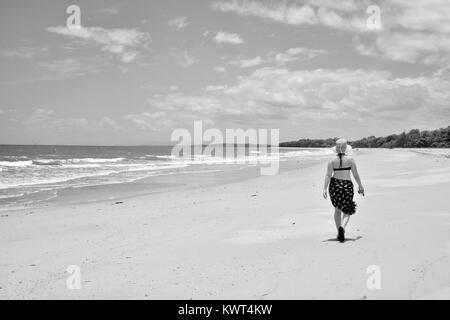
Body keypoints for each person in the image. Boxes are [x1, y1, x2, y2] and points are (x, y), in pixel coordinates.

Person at [323, 139, 364, 242]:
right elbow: (355, 174)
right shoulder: (350, 160)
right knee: (347, 209)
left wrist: (324, 188)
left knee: (337, 210)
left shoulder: (331, 161)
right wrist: (360, 185)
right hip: (347, 186)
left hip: (335, 186)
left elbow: (328, 175)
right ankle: (343, 228)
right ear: (346, 148)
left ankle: (338, 232)